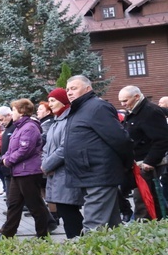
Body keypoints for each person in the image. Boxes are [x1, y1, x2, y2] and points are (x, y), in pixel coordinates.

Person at [65, 75, 134, 232]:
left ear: (88, 89)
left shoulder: (97, 107)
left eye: (74, 88)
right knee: (111, 226)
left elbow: (120, 139)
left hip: (98, 174)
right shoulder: (79, 109)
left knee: (93, 227)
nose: (69, 92)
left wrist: (126, 164)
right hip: (90, 174)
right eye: (67, 89)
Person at [0, 99, 50, 239]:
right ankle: (7, 235)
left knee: (35, 205)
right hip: (18, 172)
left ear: (22, 111)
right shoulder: (19, 127)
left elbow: (25, 149)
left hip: (28, 172)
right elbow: (12, 148)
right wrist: (6, 157)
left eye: (14, 110)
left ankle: (42, 235)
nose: (12, 113)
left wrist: (8, 160)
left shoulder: (29, 127)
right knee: (14, 204)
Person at [119, 85, 168, 220]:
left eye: (125, 100)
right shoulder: (135, 110)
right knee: (148, 197)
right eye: (121, 101)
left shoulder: (150, 111)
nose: (123, 104)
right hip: (137, 163)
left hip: (147, 164)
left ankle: (145, 227)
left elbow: (162, 139)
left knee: (143, 198)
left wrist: (150, 161)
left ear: (136, 97)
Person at [41, 88, 84, 238]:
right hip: (56, 174)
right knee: (65, 212)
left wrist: (47, 165)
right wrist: (45, 162)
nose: (49, 104)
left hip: (66, 174)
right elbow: (46, 147)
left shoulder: (69, 120)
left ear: (63, 101)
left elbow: (65, 147)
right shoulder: (56, 121)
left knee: (69, 212)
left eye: (53, 100)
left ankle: (79, 244)